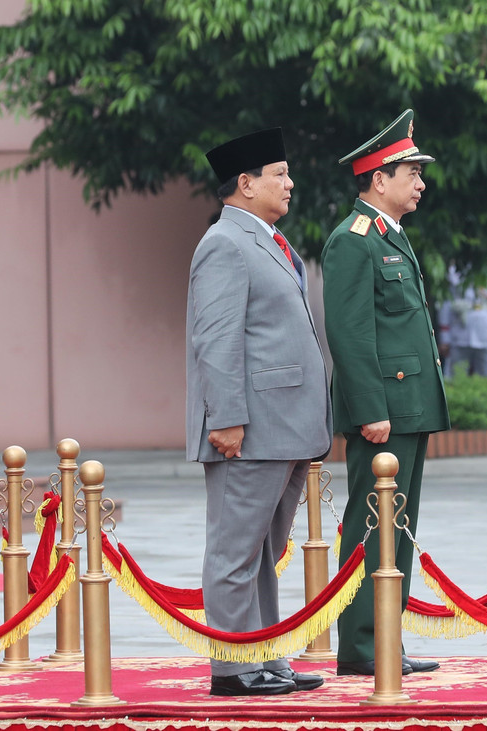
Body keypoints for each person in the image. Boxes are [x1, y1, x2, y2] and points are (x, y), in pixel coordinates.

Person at [186, 128, 331, 696]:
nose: (290, 183)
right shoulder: (224, 242)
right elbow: (215, 339)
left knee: (264, 552)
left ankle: (264, 654)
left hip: (285, 428)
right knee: (234, 550)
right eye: (280, 173)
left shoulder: (265, 239)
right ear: (245, 184)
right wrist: (225, 418)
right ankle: (232, 666)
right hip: (248, 430)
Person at [321, 109, 449, 676]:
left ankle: (384, 643)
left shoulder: (388, 236)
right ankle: (362, 647)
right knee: (372, 527)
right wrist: (371, 410)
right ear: (380, 178)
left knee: (400, 529)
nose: (420, 184)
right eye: (411, 173)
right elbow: (349, 336)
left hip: (408, 409)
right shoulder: (353, 241)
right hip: (384, 414)